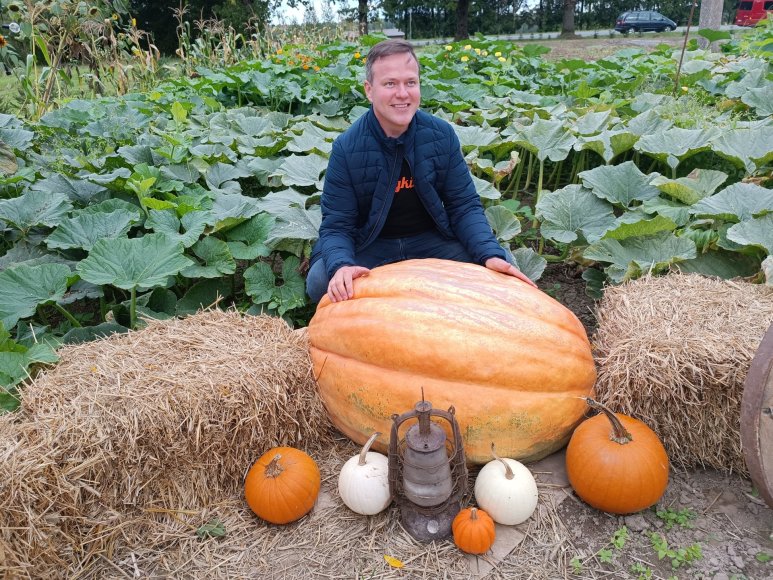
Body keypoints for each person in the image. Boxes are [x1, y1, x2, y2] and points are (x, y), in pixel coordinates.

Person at [306, 39, 536, 303]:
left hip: (430, 242)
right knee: (321, 281)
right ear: (369, 90)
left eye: (410, 83)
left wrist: (487, 253)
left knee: (500, 262)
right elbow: (338, 225)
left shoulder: (441, 135)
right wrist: (342, 266)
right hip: (371, 245)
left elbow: (463, 205)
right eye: (390, 83)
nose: (402, 93)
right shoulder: (347, 147)